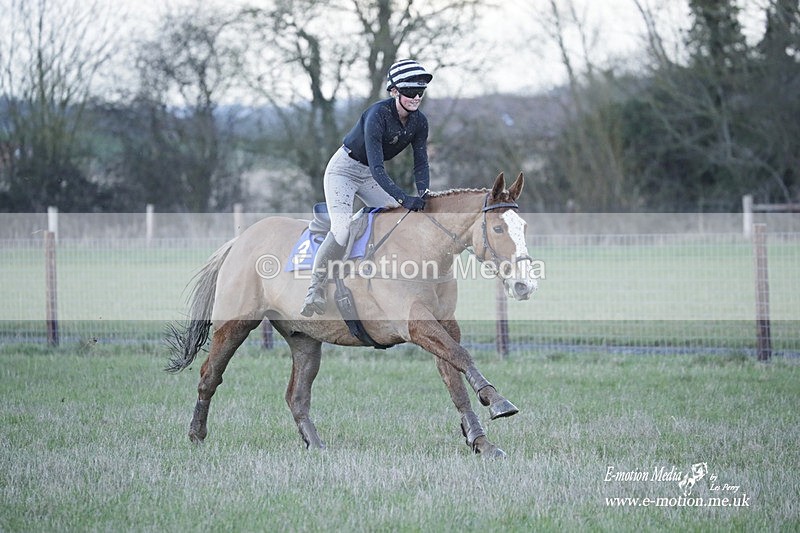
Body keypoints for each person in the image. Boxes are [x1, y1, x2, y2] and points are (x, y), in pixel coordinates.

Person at [300, 59, 432, 317]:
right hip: (344, 171)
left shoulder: (419, 122)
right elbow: (377, 169)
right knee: (341, 230)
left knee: (398, 216)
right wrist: (405, 197)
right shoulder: (377, 115)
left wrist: (424, 194)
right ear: (394, 91)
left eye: (420, 92)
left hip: (368, 175)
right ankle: (313, 289)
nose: (416, 97)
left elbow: (421, 163)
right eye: (409, 92)